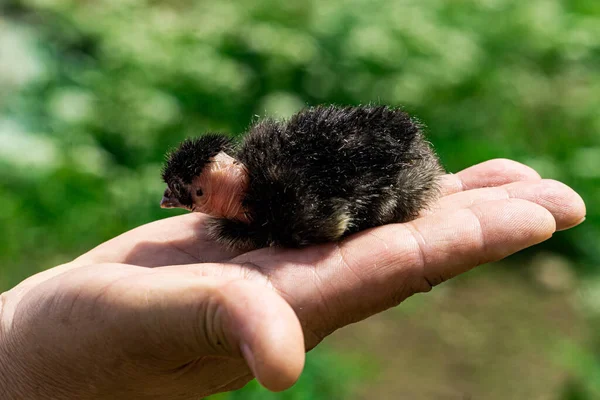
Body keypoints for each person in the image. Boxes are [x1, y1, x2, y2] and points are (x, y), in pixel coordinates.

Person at [0, 159, 586, 399]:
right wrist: (24, 360)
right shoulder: (254, 201)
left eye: (194, 196)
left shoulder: (284, 201)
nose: (182, 208)